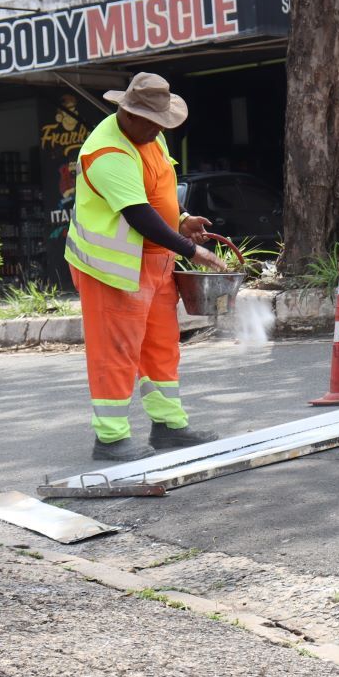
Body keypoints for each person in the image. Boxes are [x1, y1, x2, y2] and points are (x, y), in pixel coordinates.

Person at [66, 72, 227, 462]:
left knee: (161, 346)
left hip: (154, 262)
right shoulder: (107, 153)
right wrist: (191, 249)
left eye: (162, 123)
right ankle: (110, 438)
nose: (159, 129)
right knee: (116, 351)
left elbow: (160, 191)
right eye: (154, 122)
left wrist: (183, 216)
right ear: (128, 113)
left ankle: (169, 426)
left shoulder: (149, 135)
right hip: (113, 269)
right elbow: (139, 213)